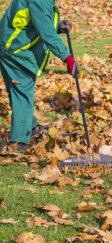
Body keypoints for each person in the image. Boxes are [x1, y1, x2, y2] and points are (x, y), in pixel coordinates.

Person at [0, 0, 79, 152]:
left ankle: (32, 127)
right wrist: (67, 58)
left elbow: (39, 20)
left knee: (20, 90)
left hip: (14, 46)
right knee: (22, 91)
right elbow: (46, 33)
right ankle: (19, 141)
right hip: (13, 50)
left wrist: (58, 26)